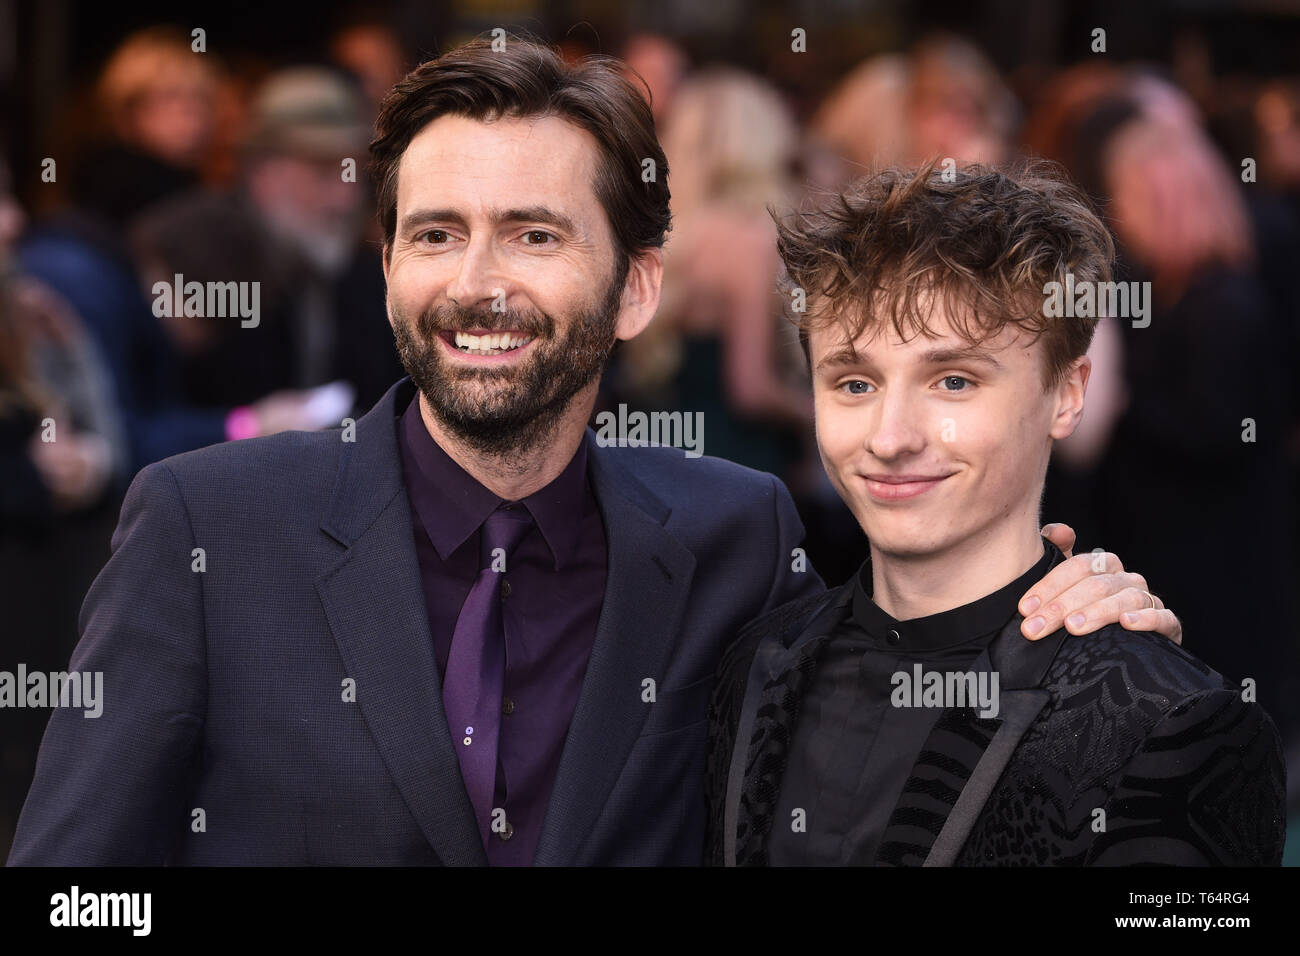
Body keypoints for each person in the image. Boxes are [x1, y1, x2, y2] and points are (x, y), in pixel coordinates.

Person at [8, 37, 1181, 868]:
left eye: (532, 233)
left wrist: (1066, 618)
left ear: (635, 287)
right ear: (387, 270)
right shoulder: (208, 524)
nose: (475, 282)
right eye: (435, 234)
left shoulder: (734, 530)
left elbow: (885, 725)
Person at [706, 160, 1285, 866]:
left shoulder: (1173, 723)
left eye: (953, 381)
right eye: (855, 382)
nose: (891, 437)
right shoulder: (750, 668)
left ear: (1067, 394)